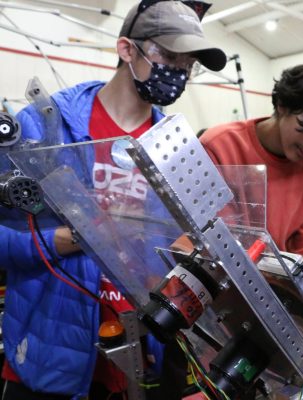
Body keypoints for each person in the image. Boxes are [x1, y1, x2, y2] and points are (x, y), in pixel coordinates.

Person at [0, 1, 226, 398]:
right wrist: (74, 236)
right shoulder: (46, 126)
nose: (178, 72)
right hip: (50, 355)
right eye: (169, 56)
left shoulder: (174, 153)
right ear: (126, 49)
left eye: (188, 64)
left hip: (138, 357)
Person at [188, 61, 303, 293]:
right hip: (217, 286)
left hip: (278, 292)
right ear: (282, 104)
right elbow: (218, 245)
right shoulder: (219, 146)